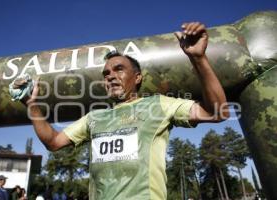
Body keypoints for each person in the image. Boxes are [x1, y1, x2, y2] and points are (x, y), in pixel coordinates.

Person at [18, 22, 229, 199]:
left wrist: (198, 58)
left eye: (119, 69)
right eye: (106, 73)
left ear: (137, 78)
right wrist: (31, 104)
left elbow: (217, 113)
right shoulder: (94, 117)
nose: (110, 75)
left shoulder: (159, 104)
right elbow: (53, 142)